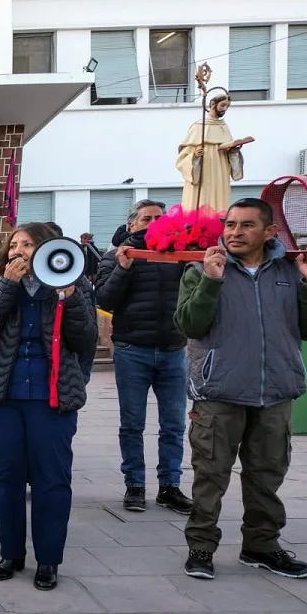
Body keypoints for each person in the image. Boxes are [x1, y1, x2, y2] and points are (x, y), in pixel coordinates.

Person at [176, 199, 307, 582]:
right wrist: (211, 282)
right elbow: (189, 324)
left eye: (247, 225)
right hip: (218, 391)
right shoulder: (202, 269)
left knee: (267, 474)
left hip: (276, 390)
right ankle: (200, 547)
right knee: (210, 474)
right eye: (230, 224)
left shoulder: (289, 272)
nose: (235, 232)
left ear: (269, 232)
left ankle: (261, 546)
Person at [0, 222, 98, 592]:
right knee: (5, 476)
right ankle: (11, 553)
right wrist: (8, 285)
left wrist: (69, 295)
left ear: (46, 249)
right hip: (4, 396)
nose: (18, 251)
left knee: (52, 479)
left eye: (28, 244)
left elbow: (85, 338)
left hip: (51, 399)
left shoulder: (71, 284)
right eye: (14, 245)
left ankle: (48, 558)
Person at [94, 200, 193, 515]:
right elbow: (105, 298)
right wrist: (124, 269)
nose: (152, 223)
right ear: (132, 224)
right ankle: (134, 485)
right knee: (132, 423)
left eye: (158, 218)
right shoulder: (118, 256)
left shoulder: (178, 255)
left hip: (173, 350)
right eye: (146, 218)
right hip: (132, 349)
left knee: (174, 424)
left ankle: (170, 486)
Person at [176, 93, 253, 213]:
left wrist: (233, 150)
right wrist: (194, 156)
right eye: (222, 105)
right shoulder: (198, 127)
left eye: (227, 106)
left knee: (219, 201)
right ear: (213, 104)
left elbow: (229, 150)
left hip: (220, 172)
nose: (224, 109)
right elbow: (183, 158)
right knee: (201, 199)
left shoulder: (223, 127)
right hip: (203, 171)